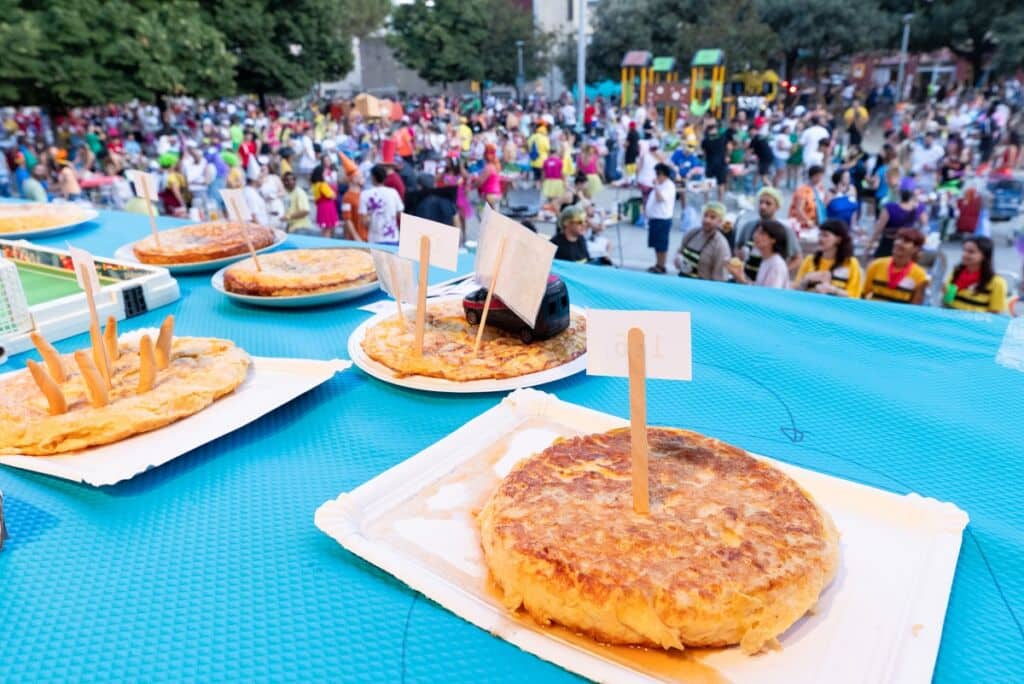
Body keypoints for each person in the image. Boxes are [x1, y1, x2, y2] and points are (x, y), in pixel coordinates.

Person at [735, 187, 802, 281]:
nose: (763, 206)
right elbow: (738, 246)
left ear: (777, 207)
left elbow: (797, 258)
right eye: (761, 202)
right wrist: (740, 262)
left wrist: (779, 272)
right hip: (746, 280)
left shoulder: (784, 231)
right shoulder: (749, 226)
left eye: (768, 203)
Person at [793, 219, 862, 297]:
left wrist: (833, 290)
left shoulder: (850, 263)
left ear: (838, 239)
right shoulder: (810, 260)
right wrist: (806, 279)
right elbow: (795, 291)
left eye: (825, 235)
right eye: (819, 235)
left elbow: (855, 295)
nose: (820, 239)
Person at [862, 228, 929, 305]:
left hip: (900, 315)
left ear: (916, 249)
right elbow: (863, 293)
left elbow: (915, 306)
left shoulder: (919, 275)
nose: (899, 243)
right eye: (898, 239)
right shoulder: (876, 265)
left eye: (906, 241)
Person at [943, 236, 1007, 313]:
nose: (964, 254)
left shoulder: (997, 282)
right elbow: (948, 300)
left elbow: (995, 312)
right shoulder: (957, 272)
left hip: (976, 324)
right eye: (964, 250)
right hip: (951, 319)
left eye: (971, 252)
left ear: (984, 255)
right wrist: (944, 291)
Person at [868, 177, 927, 258]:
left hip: (888, 244)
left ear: (899, 192)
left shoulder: (890, 208)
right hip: (907, 245)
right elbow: (924, 224)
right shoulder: (919, 208)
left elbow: (879, 228)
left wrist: (870, 243)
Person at [674, 201, 731, 281]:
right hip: (682, 281)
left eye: (712, 217)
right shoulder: (692, 233)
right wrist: (678, 259)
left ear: (720, 222)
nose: (707, 220)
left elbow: (720, 278)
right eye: (705, 215)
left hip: (702, 288)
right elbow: (680, 252)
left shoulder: (720, 244)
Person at [727, 220, 790, 288]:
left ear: (773, 239)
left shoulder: (776, 265)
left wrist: (742, 279)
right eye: (756, 232)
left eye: (762, 233)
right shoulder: (766, 260)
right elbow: (758, 289)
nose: (755, 236)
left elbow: (768, 295)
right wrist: (740, 278)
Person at [359, 164, 404, 245]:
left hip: (375, 239)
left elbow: (364, 221)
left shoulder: (365, 194)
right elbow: (400, 214)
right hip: (393, 238)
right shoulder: (393, 192)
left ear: (373, 177)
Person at [644, 163, 677, 274]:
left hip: (662, 219)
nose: (656, 176)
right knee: (656, 244)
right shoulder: (660, 185)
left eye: (658, 174)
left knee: (662, 245)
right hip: (655, 218)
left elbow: (660, 198)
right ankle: (658, 263)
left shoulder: (669, 186)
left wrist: (656, 186)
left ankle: (662, 265)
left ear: (664, 175)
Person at [789, 165, 827, 230]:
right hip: (802, 223)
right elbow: (799, 209)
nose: (820, 178)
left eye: (821, 176)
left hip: (815, 222)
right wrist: (808, 222)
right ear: (812, 176)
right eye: (817, 176)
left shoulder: (820, 188)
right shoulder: (803, 190)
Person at [701, 117, 728, 200]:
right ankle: (720, 203)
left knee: (707, 183)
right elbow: (728, 148)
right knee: (721, 184)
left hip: (710, 164)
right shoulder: (722, 138)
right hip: (721, 164)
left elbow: (704, 154)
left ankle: (706, 202)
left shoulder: (705, 141)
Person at [310, 164, 338, 237]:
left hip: (321, 207)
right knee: (327, 230)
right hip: (327, 208)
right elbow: (332, 196)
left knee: (324, 230)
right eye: (324, 172)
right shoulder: (322, 184)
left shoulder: (315, 184)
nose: (326, 174)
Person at [475, 143, 502, 209]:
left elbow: (480, 181)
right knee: (494, 215)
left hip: (490, 195)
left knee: (483, 214)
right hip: (496, 193)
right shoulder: (496, 165)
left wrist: (471, 186)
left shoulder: (489, 167)